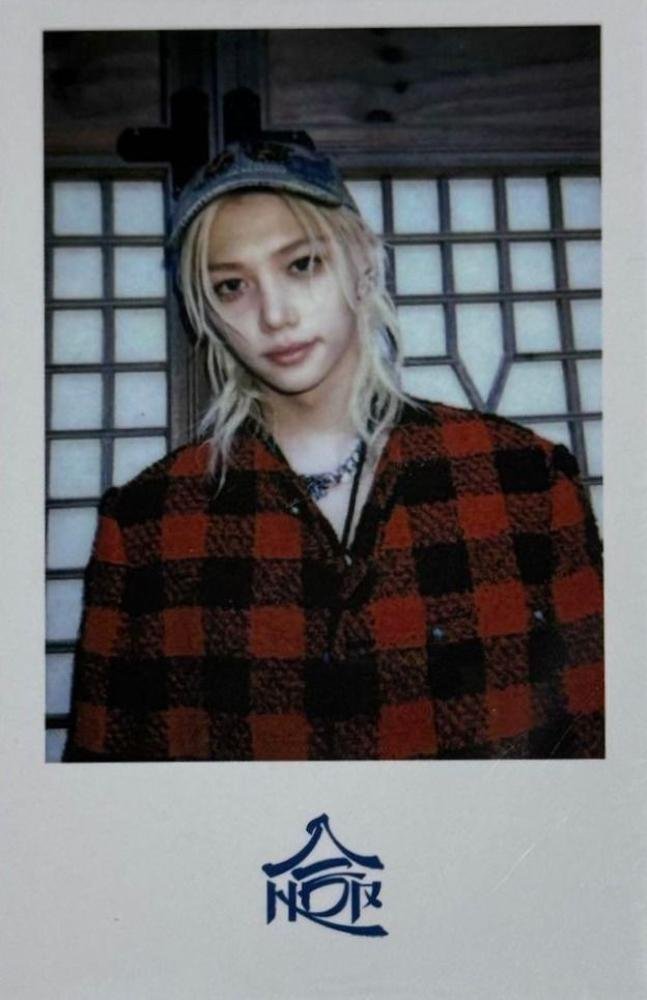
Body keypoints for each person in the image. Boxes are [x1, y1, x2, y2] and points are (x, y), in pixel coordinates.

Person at [63, 138, 604, 762]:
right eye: (232, 285)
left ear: (363, 260)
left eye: (302, 265)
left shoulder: (523, 480)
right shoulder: (148, 523)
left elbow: (602, 751)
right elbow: (102, 784)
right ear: (205, 311)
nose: (275, 315)